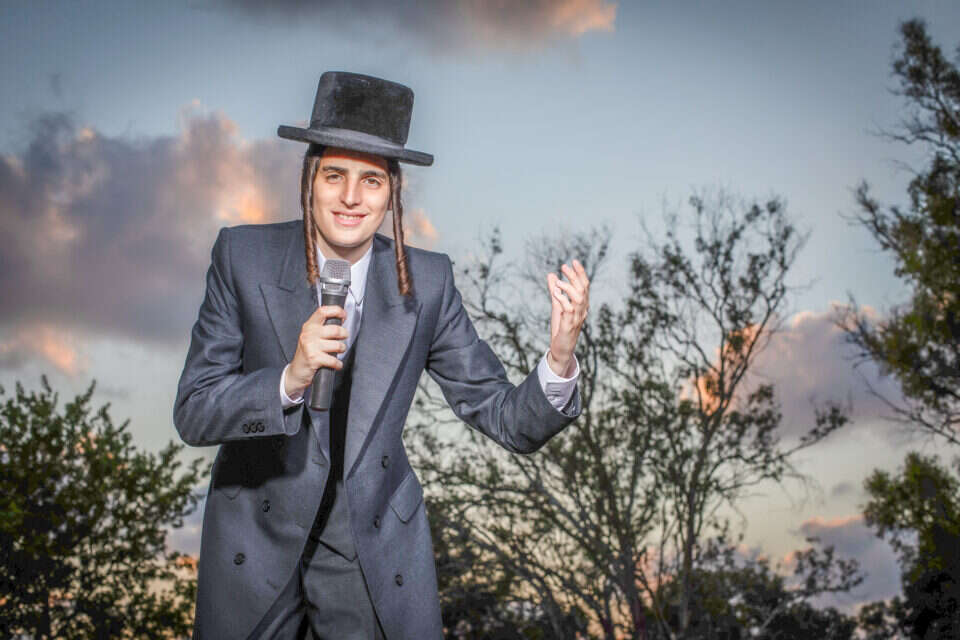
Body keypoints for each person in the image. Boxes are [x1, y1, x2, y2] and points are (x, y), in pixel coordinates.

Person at [173, 71, 589, 639]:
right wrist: (289, 379)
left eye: (370, 180)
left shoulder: (429, 282)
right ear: (309, 179)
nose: (351, 197)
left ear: (392, 190)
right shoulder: (242, 255)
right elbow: (194, 411)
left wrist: (560, 359)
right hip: (256, 537)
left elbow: (505, 418)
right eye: (335, 175)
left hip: (366, 547)